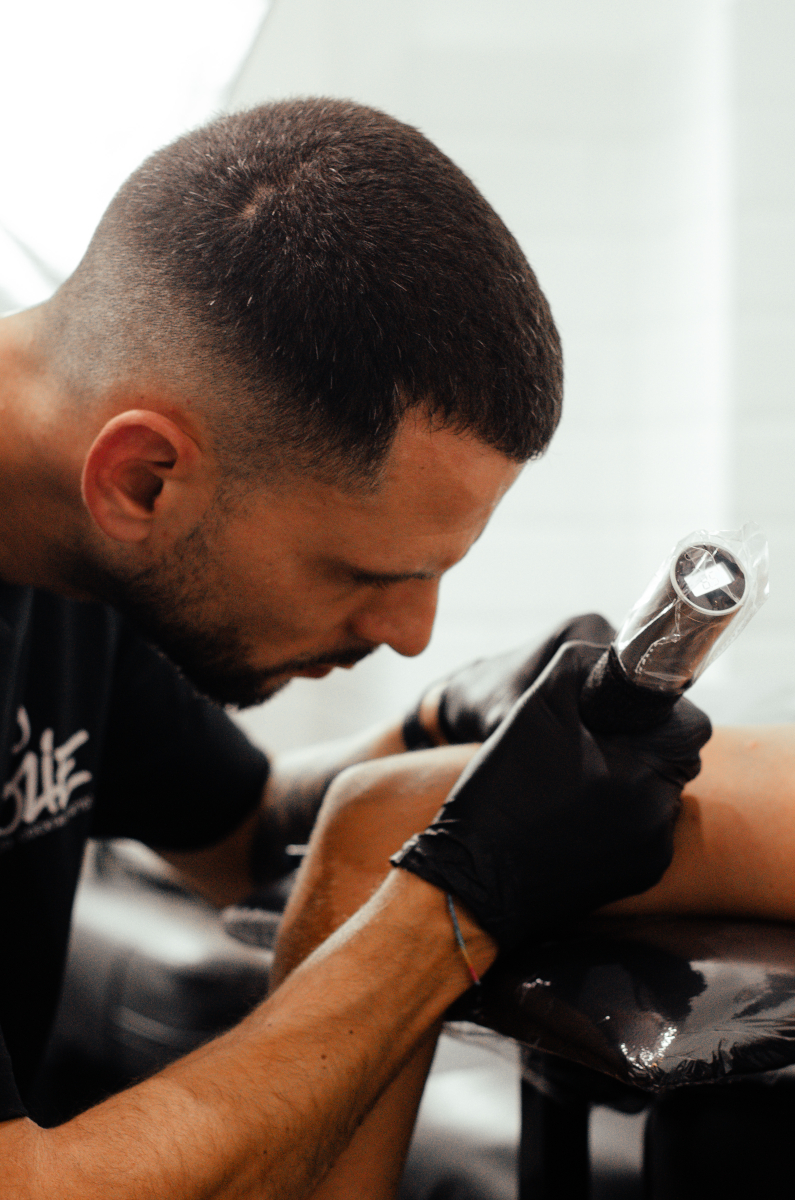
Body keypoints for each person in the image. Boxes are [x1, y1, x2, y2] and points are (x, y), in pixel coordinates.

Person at [0, 97, 709, 1197]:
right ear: (142, 478)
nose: (410, 634)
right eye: (369, 576)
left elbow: (243, 835)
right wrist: (458, 905)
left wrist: (447, 733)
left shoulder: (69, 551)